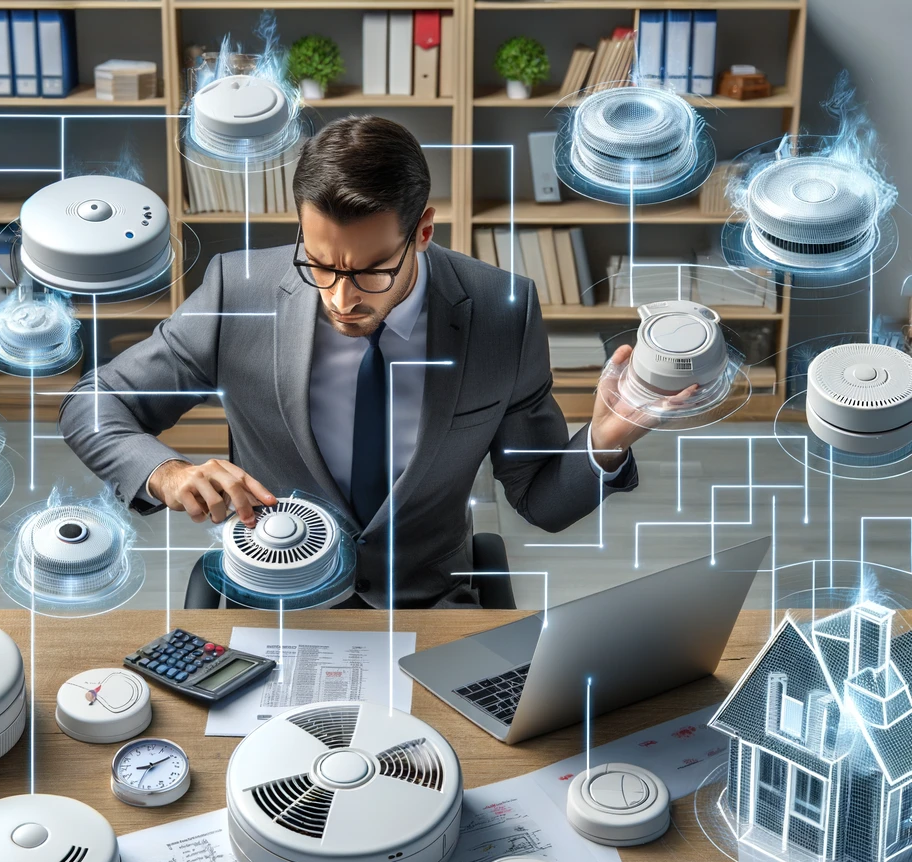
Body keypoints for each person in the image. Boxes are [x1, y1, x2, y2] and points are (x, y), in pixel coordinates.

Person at [59, 115, 653, 609]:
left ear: (422, 232)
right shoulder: (236, 292)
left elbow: (541, 500)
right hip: (275, 599)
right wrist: (167, 473)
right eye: (318, 264)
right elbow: (94, 404)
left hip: (427, 607)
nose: (341, 299)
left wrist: (603, 441)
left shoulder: (503, 312)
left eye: (371, 271)